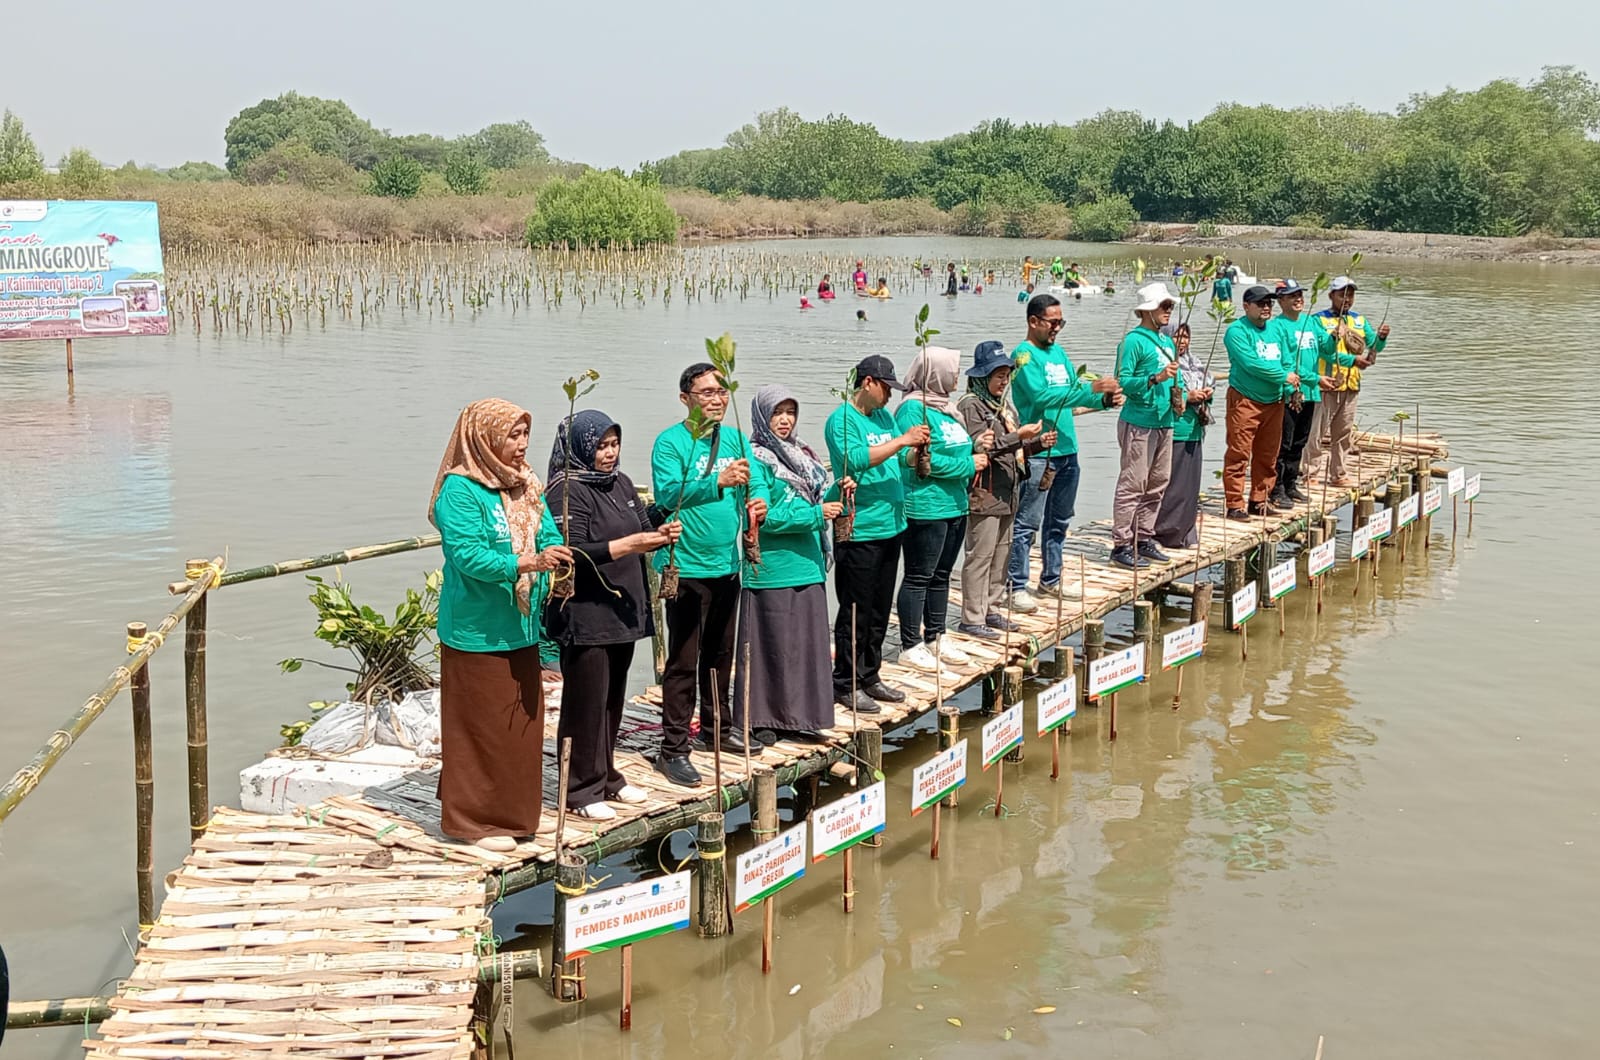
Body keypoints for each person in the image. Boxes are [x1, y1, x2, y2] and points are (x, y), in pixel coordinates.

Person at [430, 399, 572, 851]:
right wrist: (526, 563)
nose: (521, 445)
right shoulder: (460, 491)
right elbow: (468, 556)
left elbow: (546, 530)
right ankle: (472, 822)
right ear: (484, 438)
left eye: (525, 435)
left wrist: (554, 556)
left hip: (521, 624)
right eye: (512, 436)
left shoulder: (525, 484)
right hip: (476, 629)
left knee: (521, 726)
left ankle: (516, 813)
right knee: (477, 729)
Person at [545, 411, 679, 820]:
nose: (609, 453)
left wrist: (661, 527)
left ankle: (606, 776)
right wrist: (630, 544)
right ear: (582, 449)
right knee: (585, 703)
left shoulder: (620, 483)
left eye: (614, 444)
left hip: (622, 609)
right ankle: (580, 789)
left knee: (611, 702)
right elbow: (575, 552)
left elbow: (641, 524)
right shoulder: (566, 491)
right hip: (586, 612)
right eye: (601, 446)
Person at [649, 364, 769, 786]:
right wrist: (716, 481)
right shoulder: (671, 443)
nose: (717, 399)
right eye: (706, 393)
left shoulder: (735, 438)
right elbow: (667, 495)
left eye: (721, 392)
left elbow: (759, 482)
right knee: (682, 661)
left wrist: (759, 501)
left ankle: (717, 731)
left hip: (726, 564)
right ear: (686, 398)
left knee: (720, 656)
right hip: (685, 565)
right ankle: (673, 749)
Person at [733, 385, 840, 745]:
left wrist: (840, 491)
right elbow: (765, 517)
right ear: (763, 416)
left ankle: (802, 716)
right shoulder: (756, 459)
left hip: (808, 561)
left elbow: (819, 499)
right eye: (777, 412)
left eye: (790, 412)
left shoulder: (803, 453)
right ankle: (762, 718)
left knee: (805, 646)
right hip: (772, 567)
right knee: (769, 647)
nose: (784, 420)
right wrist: (814, 514)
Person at [825, 355, 929, 710]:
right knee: (856, 608)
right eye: (886, 388)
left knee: (880, 609)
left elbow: (901, 461)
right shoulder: (842, 419)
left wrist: (916, 450)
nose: (889, 396)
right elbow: (855, 459)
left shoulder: (884, 417)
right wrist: (902, 441)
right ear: (867, 383)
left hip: (892, 524)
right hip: (861, 528)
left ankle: (870, 675)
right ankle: (845, 681)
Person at [1006, 294, 1123, 607]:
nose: (1058, 328)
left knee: (1059, 520)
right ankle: (1016, 584)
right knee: (1027, 522)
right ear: (1034, 321)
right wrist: (1091, 388)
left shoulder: (1059, 354)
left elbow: (1073, 395)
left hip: (1067, 448)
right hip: (1039, 450)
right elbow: (1041, 397)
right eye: (1053, 322)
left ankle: (1051, 578)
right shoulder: (1023, 356)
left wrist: (1103, 400)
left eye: (1061, 322)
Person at [895, 346, 988, 672]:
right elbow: (922, 461)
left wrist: (976, 447)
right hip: (926, 506)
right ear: (934, 372)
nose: (956, 377)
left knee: (942, 575)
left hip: (955, 505)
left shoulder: (947, 409)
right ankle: (910, 643)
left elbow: (955, 447)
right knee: (919, 575)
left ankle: (936, 635)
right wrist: (967, 463)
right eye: (952, 370)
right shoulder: (912, 411)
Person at [957, 341, 1051, 640]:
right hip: (984, 494)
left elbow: (1014, 447)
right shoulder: (970, 405)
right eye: (998, 375)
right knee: (980, 556)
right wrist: (1017, 436)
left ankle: (991, 607)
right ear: (982, 377)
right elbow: (980, 448)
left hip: (1008, 491)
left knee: (1001, 555)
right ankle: (971, 617)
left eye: (1006, 374)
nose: (1003, 381)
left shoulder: (1004, 407)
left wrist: (1036, 443)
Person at [1270, 280, 1367, 506]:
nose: (1298, 300)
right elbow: (1285, 362)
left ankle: (1291, 484)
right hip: (1289, 392)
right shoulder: (1277, 327)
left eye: (1300, 295)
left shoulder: (1309, 323)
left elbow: (1325, 349)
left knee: (1300, 441)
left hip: (1311, 393)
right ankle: (1277, 489)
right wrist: (1316, 378)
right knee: (1284, 443)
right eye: (1292, 296)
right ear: (1281, 300)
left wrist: (1334, 337)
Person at [1111, 283, 1186, 569]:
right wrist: (1154, 379)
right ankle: (1120, 542)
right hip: (1139, 421)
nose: (1168, 312)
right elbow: (1122, 382)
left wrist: (1177, 395)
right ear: (1147, 310)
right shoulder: (1133, 341)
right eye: (1163, 306)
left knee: (1157, 483)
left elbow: (1173, 379)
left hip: (1164, 420)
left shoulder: (1167, 342)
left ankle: (1143, 537)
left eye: (1170, 306)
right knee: (1133, 483)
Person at [1303, 276, 1391, 488]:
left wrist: (1381, 338)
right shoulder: (1318, 321)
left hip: (1351, 385)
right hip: (1326, 384)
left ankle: (1338, 473)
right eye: (1342, 294)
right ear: (1332, 295)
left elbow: (1373, 346)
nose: (1347, 299)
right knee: (1316, 433)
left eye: (1350, 294)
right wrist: (1352, 360)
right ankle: (1310, 472)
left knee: (1343, 433)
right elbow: (1323, 353)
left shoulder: (1358, 320)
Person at [1222, 286, 1296, 518]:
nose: (1266, 308)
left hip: (1274, 401)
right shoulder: (1236, 331)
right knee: (1239, 452)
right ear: (1246, 306)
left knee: (1268, 454)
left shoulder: (1275, 330)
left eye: (1269, 303)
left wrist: (1288, 386)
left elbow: (1287, 361)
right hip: (1245, 399)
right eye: (1260, 303)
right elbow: (1251, 364)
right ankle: (1234, 504)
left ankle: (1259, 499)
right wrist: (1283, 376)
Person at [1153, 323, 1215, 548]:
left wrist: (1206, 394)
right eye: (1177, 336)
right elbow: (1162, 395)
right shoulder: (1163, 365)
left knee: (1190, 487)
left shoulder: (1194, 362)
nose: (1182, 341)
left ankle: (1186, 532)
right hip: (1175, 429)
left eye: (1186, 336)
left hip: (1194, 429)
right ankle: (1164, 533)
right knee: (1172, 485)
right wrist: (1188, 397)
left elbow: (1209, 384)